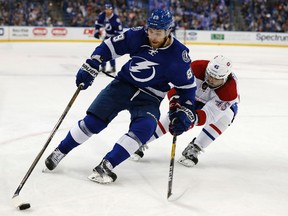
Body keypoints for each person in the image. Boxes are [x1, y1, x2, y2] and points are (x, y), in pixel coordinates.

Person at [44, 9, 197, 184]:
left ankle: (107, 165)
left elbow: (187, 89)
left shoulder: (179, 56)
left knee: (145, 128)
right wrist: (93, 62)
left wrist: (185, 111)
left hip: (150, 98)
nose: (153, 36)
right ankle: (60, 151)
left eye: (159, 33)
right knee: (93, 122)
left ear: (169, 31)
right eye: (151, 31)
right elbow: (109, 46)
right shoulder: (137, 35)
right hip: (122, 86)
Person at [131, 55, 240, 167]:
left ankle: (196, 147)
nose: (211, 80)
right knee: (175, 117)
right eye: (209, 75)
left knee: (226, 117)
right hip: (193, 93)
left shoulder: (229, 92)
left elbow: (210, 114)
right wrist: (175, 106)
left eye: (216, 78)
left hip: (215, 102)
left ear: (225, 77)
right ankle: (143, 139)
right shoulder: (195, 68)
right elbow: (174, 86)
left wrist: (189, 121)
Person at [94, 3, 123, 74]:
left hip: (114, 37)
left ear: (112, 10)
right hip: (107, 36)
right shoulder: (102, 15)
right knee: (102, 51)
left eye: (109, 9)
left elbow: (120, 31)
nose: (108, 11)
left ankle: (113, 67)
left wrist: (113, 39)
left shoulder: (116, 19)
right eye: (106, 9)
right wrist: (97, 32)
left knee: (111, 52)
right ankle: (103, 67)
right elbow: (98, 24)